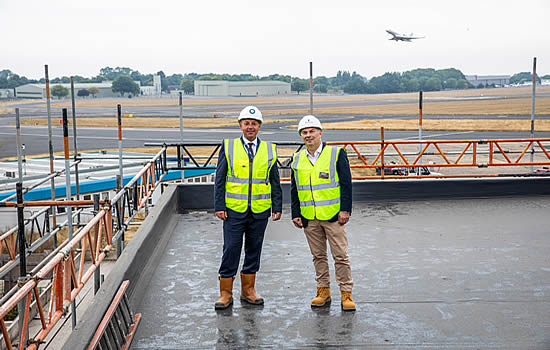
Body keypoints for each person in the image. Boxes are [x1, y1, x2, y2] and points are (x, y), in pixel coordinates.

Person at [214, 105, 282, 310]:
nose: (250, 127)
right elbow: (220, 179)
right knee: (231, 249)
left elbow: (274, 180)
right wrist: (219, 205)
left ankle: (248, 291)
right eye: (246, 123)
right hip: (234, 210)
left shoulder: (269, 149)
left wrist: (276, 206)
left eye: (254, 123)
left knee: (254, 250)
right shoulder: (228, 146)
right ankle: (225, 293)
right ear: (240, 126)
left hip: (260, 210)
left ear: (259, 126)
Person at [290, 115, 355, 311]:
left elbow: (346, 184)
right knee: (318, 256)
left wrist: (345, 210)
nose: (308, 135)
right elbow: (295, 188)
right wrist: (296, 212)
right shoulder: (298, 158)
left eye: (311, 131)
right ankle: (323, 291)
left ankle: (346, 294)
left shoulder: (335, 154)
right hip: (310, 217)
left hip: (333, 216)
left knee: (340, 256)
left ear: (320, 132)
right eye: (304, 132)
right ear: (301, 135)